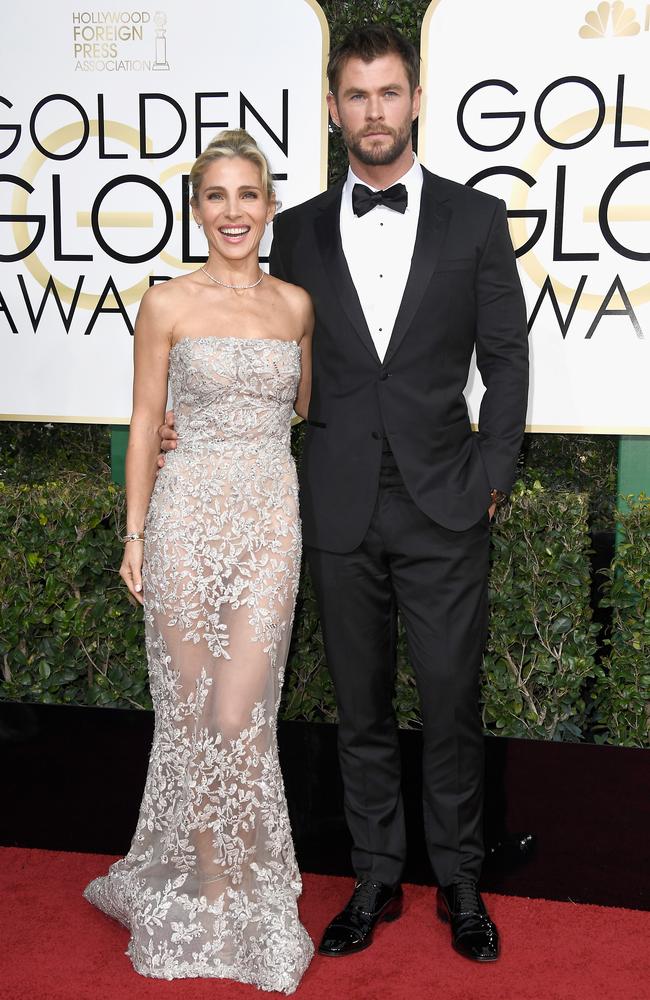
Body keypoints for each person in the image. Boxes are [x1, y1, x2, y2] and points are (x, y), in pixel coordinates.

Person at [161, 24, 528, 965]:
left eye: (389, 93)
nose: (374, 111)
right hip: (334, 503)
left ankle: (458, 880)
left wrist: (493, 477)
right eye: (356, 96)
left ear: (415, 100)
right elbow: (266, 351)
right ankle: (374, 875)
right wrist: (183, 418)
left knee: (451, 698)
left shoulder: (475, 220)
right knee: (359, 704)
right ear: (334, 111)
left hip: (448, 498)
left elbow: (508, 361)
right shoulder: (298, 232)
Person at [84, 129, 314, 994]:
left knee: (237, 714)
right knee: (190, 717)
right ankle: (214, 891)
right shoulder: (166, 304)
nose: (232, 212)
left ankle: (247, 885)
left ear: (269, 205)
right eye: (215, 196)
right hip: (183, 524)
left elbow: (301, 407)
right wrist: (136, 532)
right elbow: (146, 420)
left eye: (247, 195)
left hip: (267, 527)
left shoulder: (295, 307)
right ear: (196, 207)